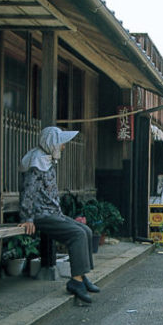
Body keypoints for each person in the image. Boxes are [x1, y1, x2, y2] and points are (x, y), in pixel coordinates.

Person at [18, 126, 99, 305]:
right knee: (76, 234)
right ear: (52, 143)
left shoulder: (45, 159)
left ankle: (81, 275)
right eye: (61, 143)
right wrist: (27, 218)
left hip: (53, 212)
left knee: (85, 230)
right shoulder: (37, 162)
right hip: (41, 215)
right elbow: (28, 192)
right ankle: (75, 282)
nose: (63, 146)